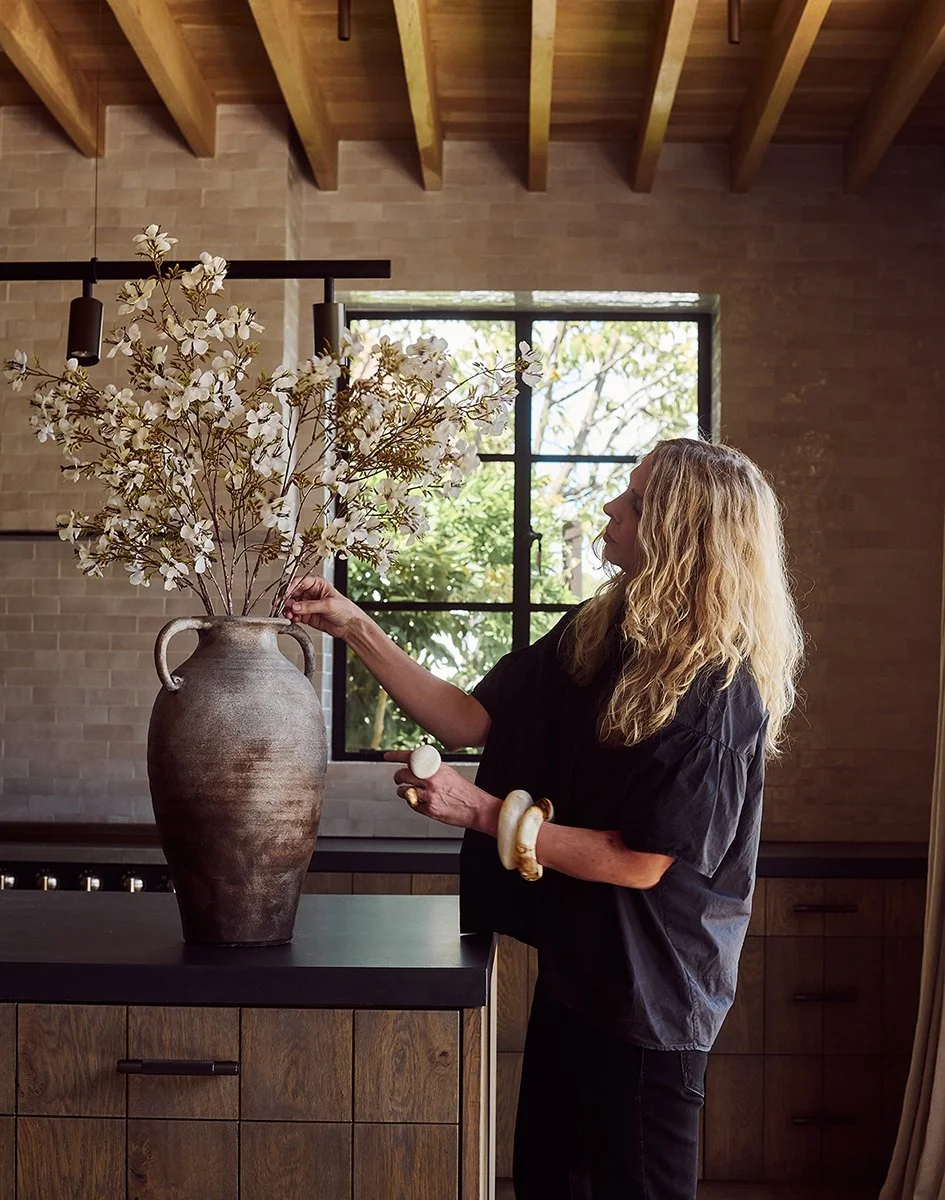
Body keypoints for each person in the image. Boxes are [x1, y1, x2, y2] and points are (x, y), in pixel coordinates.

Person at [284, 437, 804, 1200]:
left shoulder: (717, 693)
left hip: (651, 1004)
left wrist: (476, 808)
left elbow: (639, 861)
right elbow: (468, 720)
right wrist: (354, 625)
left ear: (679, 530)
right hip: (576, 981)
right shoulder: (601, 634)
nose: (611, 507)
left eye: (634, 501)